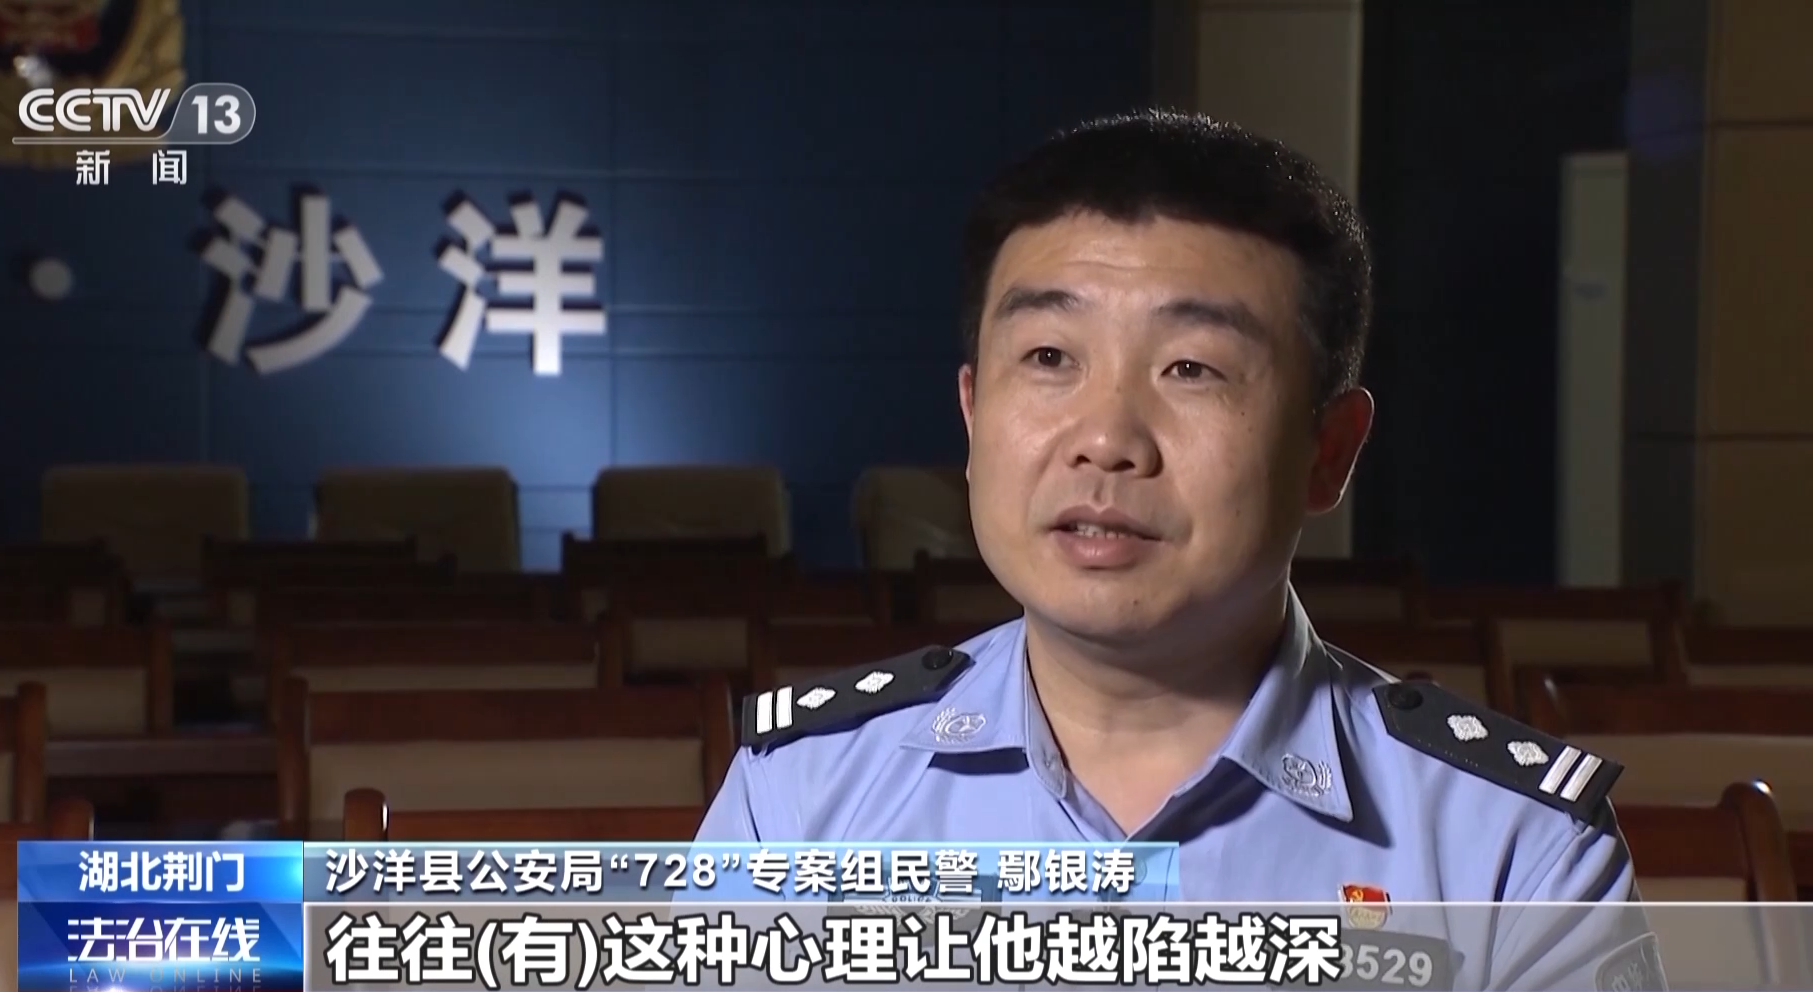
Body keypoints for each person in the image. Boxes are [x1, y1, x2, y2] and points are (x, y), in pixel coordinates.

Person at [695, 109, 1665, 990]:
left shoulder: (1510, 848)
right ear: (973, 411)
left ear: (1329, 452)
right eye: (1049, 357)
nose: (1106, 438)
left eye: (1192, 368)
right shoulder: (802, 798)